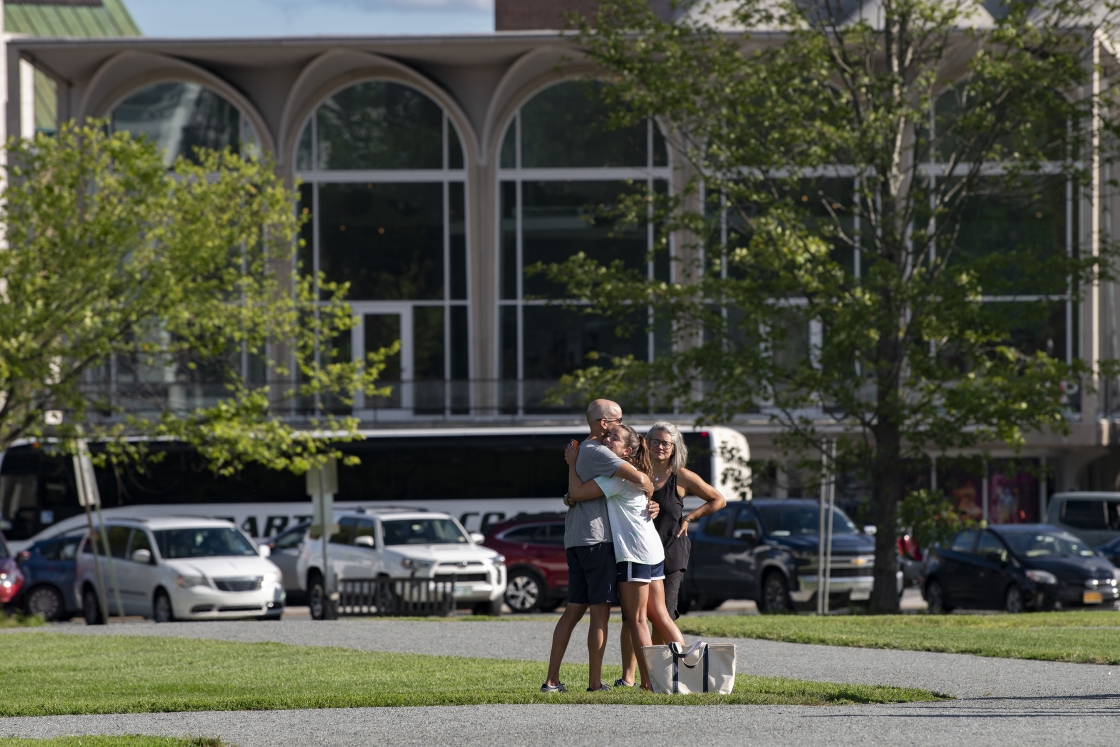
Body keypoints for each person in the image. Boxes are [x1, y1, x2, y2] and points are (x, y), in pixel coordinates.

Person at [541, 399, 654, 693]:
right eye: (618, 419)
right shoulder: (600, 451)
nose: (622, 423)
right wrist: (648, 488)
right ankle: (594, 683)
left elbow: (573, 494)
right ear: (604, 423)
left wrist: (571, 467)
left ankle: (551, 681)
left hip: (575, 538)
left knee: (573, 610)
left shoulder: (582, 451)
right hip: (598, 539)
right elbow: (638, 477)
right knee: (600, 613)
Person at [565, 423, 684, 691]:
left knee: (638, 619)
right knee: (661, 617)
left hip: (634, 554)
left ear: (627, 450)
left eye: (613, 438)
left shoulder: (616, 478)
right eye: (607, 435)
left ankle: (648, 683)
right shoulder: (636, 472)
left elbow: (577, 494)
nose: (607, 440)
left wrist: (572, 464)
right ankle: (688, 670)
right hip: (652, 551)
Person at [615, 421, 727, 688]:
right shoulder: (637, 472)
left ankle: (666, 673)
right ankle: (629, 677)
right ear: (647, 443)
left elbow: (718, 499)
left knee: (660, 615)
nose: (660, 446)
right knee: (632, 617)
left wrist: (689, 517)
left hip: (671, 553)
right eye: (655, 441)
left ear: (675, 447)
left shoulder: (681, 476)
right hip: (639, 551)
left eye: (666, 443)